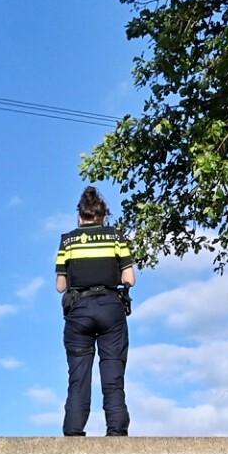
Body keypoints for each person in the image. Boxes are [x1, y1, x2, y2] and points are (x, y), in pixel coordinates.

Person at [55, 186, 137, 437]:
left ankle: (73, 432)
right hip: (110, 308)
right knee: (113, 373)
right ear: (104, 216)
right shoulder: (116, 237)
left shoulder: (67, 240)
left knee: (78, 376)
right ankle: (116, 432)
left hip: (79, 310)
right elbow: (130, 279)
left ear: (80, 217)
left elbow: (60, 286)